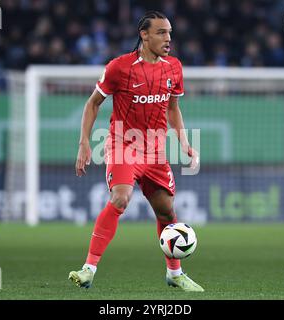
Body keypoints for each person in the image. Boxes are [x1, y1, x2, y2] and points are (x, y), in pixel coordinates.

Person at [68, 11, 203, 292]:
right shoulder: (119, 67)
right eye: (161, 33)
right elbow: (93, 104)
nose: (168, 39)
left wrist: (183, 141)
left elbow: (172, 108)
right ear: (144, 35)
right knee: (121, 198)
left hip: (154, 151)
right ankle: (88, 269)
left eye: (170, 33)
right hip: (122, 145)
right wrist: (84, 142)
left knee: (166, 213)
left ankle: (175, 273)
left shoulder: (174, 68)